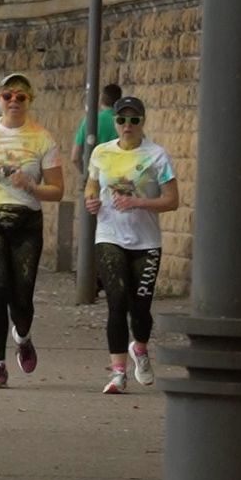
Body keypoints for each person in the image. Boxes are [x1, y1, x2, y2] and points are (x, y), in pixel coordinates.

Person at [0, 72, 67, 388]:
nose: (14, 101)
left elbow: (57, 190)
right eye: (8, 96)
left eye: (21, 96)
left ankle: (23, 336)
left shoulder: (42, 139)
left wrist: (32, 186)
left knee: (22, 296)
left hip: (25, 221)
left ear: (30, 101)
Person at [87, 95, 179, 395]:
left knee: (140, 309)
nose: (128, 125)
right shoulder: (101, 152)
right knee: (116, 302)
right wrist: (91, 201)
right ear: (115, 122)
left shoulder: (157, 156)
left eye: (134, 120)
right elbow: (91, 185)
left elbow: (172, 200)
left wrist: (138, 202)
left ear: (142, 122)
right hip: (109, 235)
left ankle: (139, 346)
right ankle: (118, 373)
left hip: (146, 241)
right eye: (122, 120)